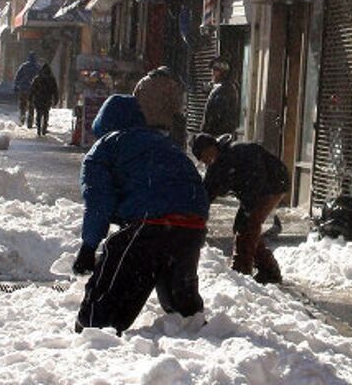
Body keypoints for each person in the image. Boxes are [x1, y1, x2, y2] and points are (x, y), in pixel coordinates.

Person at [72, 70, 209, 335]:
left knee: (117, 277)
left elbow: (98, 201)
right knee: (178, 292)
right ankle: (191, 324)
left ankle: (93, 331)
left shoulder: (104, 147)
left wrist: (88, 247)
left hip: (152, 219)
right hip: (193, 219)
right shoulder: (164, 143)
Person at [191, 132, 288, 284]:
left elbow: (258, 177)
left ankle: (245, 271)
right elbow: (207, 192)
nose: (205, 161)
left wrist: (249, 207)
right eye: (201, 159)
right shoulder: (217, 166)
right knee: (242, 227)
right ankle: (267, 270)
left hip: (273, 184)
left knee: (249, 227)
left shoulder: (240, 152)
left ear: (211, 147)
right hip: (254, 192)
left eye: (204, 155)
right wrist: (196, 214)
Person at [200, 57, 239, 137]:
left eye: (215, 71)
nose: (212, 74)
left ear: (223, 73)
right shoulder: (220, 87)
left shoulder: (226, 89)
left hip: (218, 135)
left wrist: (207, 132)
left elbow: (215, 115)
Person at [29, 63, 59, 136]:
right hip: (47, 99)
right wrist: (56, 100)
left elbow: (32, 89)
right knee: (46, 114)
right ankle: (44, 129)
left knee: (39, 114)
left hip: (38, 98)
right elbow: (55, 90)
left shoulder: (37, 78)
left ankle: (39, 128)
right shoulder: (51, 79)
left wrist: (30, 98)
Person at [13, 52, 39, 127]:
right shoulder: (37, 67)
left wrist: (16, 85)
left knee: (22, 104)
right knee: (31, 106)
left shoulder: (24, 66)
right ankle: (30, 123)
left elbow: (18, 76)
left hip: (23, 88)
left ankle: (22, 118)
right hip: (33, 90)